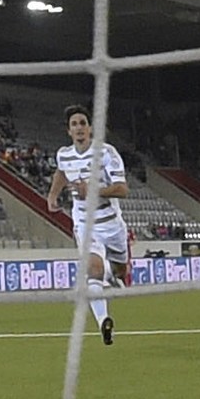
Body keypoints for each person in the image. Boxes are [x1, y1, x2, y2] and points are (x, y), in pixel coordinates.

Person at [46, 104, 129, 346]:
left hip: (111, 224)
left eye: (83, 123)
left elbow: (123, 189)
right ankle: (104, 321)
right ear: (68, 131)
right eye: (74, 124)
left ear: (90, 128)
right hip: (85, 224)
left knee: (120, 270)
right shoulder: (64, 154)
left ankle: (113, 276)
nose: (79, 128)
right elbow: (61, 172)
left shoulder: (106, 153)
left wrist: (92, 190)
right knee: (93, 269)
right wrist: (52, 196)